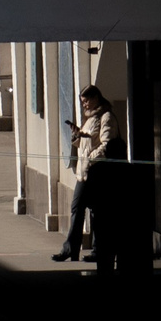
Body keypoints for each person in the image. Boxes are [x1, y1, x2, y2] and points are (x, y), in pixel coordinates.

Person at [52, 87, 117, 264]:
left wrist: (90, 158)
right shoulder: (89, 118)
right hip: (85, 172)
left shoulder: (106, 117)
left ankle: (80, 249)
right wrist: (77, 135)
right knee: (90, 210)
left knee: (86, 209)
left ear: (96, 98)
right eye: (82, 102)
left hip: (96, 171)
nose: (85, 105)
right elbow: (85, 142)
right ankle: (88, 250)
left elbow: (107, 145)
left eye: (87, 101)